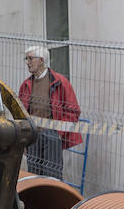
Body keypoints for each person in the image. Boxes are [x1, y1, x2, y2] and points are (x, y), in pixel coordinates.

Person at [18, 45, 81, 179]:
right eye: (26, 59)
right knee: (33, 176)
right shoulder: (26, 85)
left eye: (30, 59)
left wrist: (59, 133)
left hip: (52, 136)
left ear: (41, 60)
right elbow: (20, 115)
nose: (27, 63)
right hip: (33, 137)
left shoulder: (60, 82)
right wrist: (23, 140)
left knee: (52, 177)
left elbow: (73, 111)